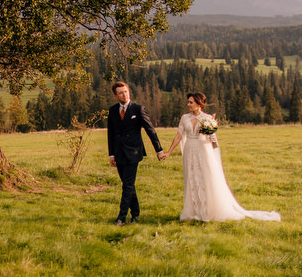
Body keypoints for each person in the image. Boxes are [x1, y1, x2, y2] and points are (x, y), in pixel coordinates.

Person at [163, 92, 280, 222]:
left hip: (203, 150)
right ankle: (194, 211)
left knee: (205, 178)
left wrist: (212, 139)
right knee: (192, 178)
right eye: (188, 102)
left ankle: (208, 210)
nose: (188, 105)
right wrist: (169, 152)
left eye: (191, 102)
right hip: (190, 150)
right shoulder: (184, 118)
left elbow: (214, 139)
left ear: (198, 103)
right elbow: (179, 135)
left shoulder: (207, 119)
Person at [107, 81, 166, 225]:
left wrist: (159, 150)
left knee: (127, 186)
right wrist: (111, 154)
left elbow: (150, 130)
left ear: (129, 92)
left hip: (133, 152)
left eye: (126, 91)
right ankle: (135, 214)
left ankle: (121, 218)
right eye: (120, 92)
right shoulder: (113, 110)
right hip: (119, 153)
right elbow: (111, 133)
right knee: (129, 185)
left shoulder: (138, 109)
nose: (124, 94)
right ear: (115, 95)